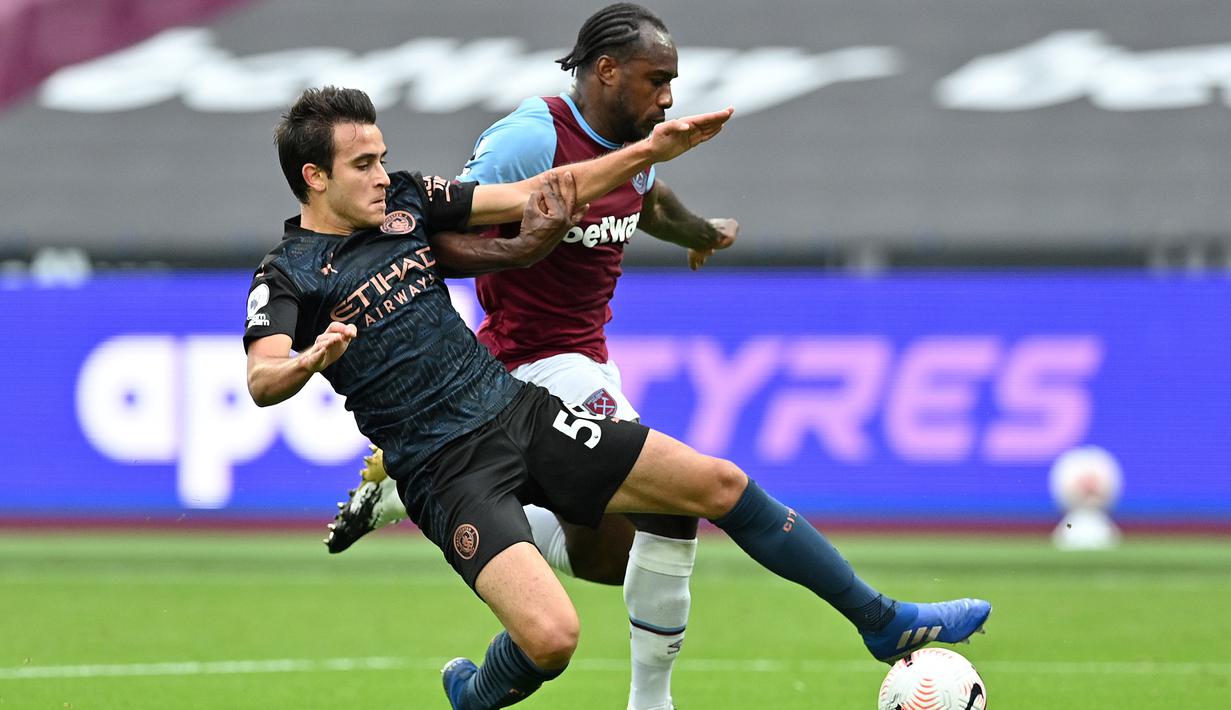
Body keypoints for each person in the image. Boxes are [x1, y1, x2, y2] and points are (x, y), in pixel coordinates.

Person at [248, 85, 990, 710]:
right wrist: (311, 357)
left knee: (714, 484)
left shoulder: (409, 202)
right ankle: (474, 696)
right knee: (551, 640)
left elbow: (544, 192)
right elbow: (262, 378)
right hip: (445, 472)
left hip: (518, 412)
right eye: (364, 163)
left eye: (382, 156)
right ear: (315, 177)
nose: (383, 173)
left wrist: (647, 154)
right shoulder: (289, 276)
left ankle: (881, 622)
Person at [324, 6, 737, 709]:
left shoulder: (635, 142)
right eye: (656, 78)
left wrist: (700, 231)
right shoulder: (531, 137)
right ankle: (652, 702)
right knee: (676, 505)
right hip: (528, 361)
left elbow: (645, 196)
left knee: (609, 557)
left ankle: (427, 495)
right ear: (605, 70)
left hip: (585, 360)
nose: (668, 96)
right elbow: (438, 229)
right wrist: (515, 247)